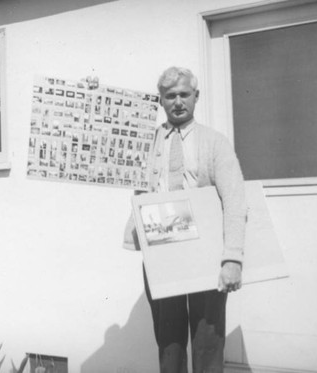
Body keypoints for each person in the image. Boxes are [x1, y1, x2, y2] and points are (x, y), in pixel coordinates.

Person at [123, 67, 247, 373]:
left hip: (205, 251)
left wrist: (232, 258)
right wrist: (93, 94)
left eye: (184, 95)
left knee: (207, 340)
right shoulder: (145, 143)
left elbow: (235, 200)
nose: (178, 102)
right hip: (161, 249)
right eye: (170, 96)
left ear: (196, 97)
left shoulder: (215, 142)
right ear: (161, 101)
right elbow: (101, 135)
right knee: (169, 343)